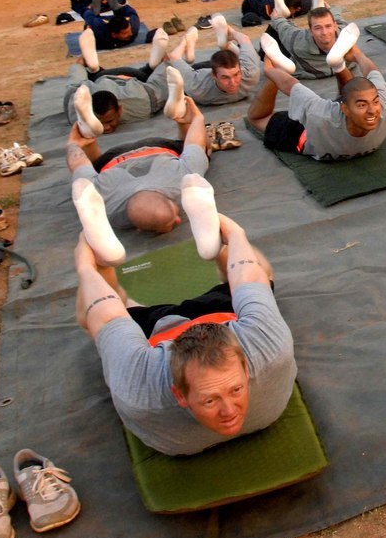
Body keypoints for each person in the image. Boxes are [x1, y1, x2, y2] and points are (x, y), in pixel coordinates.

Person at [72, 213, 296, 456]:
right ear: (180, 395)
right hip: (216, 313)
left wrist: (87, 268)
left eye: (236, 389)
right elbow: (250, 275)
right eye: (210, 400)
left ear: (245, 368)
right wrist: (234, 234)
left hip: (166, 328)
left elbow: (106, 314)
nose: (229, 411)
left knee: (107, 312)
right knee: (263, 275)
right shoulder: (270, 348)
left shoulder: (139, 392)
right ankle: (215, 247)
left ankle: (106, 261)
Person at [64, 95, 209, 234]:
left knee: (199, 153)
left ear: (138, 228)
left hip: (146, 150)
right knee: (92, 169)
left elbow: (194, 144)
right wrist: (74, 145)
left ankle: (89, 132)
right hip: (116, 158)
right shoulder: (103, 206)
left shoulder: (184, 183)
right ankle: (88, 135)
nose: (178, 220)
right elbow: (79, 164)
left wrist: (196, 119)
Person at [247, 40, 386, 161]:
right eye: (363, 105)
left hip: (328, 126)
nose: (372, 111)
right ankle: (281, 68)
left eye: (375, 102)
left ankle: (338, 65)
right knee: (256, 119)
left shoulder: (385, 108)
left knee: (355, 93)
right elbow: (291, 86)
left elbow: (374, 74)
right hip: (313, 130)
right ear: (344, 109)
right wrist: (270, 71)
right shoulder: (319, 116)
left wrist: (357, 53)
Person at [268, 6, 352, 78]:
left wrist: (332, 8)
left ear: (335, 27)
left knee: (336, 17)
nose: (324, 32)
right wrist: (278, 19)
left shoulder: (347, 35)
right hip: (303, 41)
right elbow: (285, 30)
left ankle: (326, 7)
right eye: (318, 28)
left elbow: (338, 19)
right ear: (311, 31)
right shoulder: (298, 44)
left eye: (328, 26)